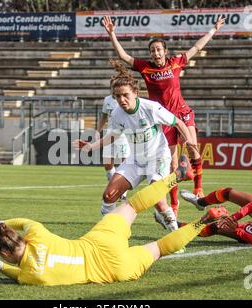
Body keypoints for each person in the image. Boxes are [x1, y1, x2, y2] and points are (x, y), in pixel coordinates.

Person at [0, 165, 227, 286]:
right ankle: (177, 176)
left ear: (6, 254)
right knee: (134, 205)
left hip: (115, 270)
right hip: (101, 241)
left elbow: (12, 272)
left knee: (160, 248)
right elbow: (23, 221)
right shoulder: (37, 233)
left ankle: (203, 221)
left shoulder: (30, 276)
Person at [102, 15, 226, 216]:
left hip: (181, 112)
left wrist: (213, 30)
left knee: (194, 149)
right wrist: (112, 34)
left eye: (159, 49)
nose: (156, 52)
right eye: (152, 50)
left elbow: (196, 48)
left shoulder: (175, 62)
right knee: (172, 164)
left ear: (165, 51)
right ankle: (174, 204)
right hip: (162, 119)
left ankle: (198, 190)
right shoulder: (145, 67)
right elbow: (124, 56)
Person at [74, 60, 193, 231]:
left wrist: (188, 141)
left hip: (157, 158)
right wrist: (91, 147)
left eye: (125, 95)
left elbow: (178, 123)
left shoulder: (151, 108)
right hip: (135, 161)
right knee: (109, 195)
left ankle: (174, 235)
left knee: (157, 201)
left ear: (135, 92)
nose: (121, 100)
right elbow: (112, 137)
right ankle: (109, 233)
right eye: (117, 96)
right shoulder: (116, 114)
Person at [96, 92, 130, 201]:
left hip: (123, 134)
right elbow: (104, 116)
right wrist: (98, 131)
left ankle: (122, 193)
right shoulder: (107, 100)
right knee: (107, 164)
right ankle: (116, 188)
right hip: (109, 134)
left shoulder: (125, 99)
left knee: (125, 163)